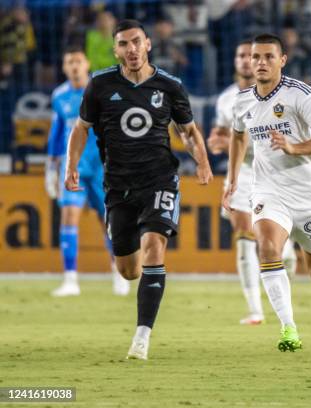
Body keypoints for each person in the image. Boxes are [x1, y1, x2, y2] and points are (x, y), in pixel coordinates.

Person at [64, 19, 213, 360]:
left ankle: (142, 336)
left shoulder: (169, 86)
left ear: (148, 44)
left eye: (136, 42)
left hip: (159, 180)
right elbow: (80, 128)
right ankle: (138, 295)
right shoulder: (100, 84)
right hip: (118, 186)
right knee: (128, 270)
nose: (131, 49)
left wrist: (202, 162)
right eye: (123, 44)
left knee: (154, 248)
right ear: (115, 50)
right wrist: (70, 166)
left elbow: (188, 132)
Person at [223, 33, 311, 352]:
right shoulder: (242, 100)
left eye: (267, 57)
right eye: (255, 57)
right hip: (268, 190)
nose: (260, 63)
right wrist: (233, 178)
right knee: (266, 248)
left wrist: (294, 147)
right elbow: (237, 137)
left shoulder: (301, 95)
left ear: (282, 61)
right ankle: (288, 328)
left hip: (307, 194)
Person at [207, 39, 297, 326]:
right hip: (244, 173)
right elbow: (220, 135)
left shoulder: (285, 95)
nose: (247, 60)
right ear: (235, 61)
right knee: (244, 234)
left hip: (276, 172)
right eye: (242, 55)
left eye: (253, 55)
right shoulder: (225, 99)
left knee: (273, 245)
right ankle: (255, 310)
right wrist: (217, 142)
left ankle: (286, 249)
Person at [45, 46, 129, 297]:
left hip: (102, 167)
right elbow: (57, 131)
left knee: (108, 223)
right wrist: (51, 167)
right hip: (74, 167)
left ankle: (118, 272)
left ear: (86, 64)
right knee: (69, 217)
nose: (73, 66)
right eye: (69, 62)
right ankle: (71, 280)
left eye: (77, 61)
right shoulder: (59, 96)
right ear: (64, 67)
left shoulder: (101, 90)